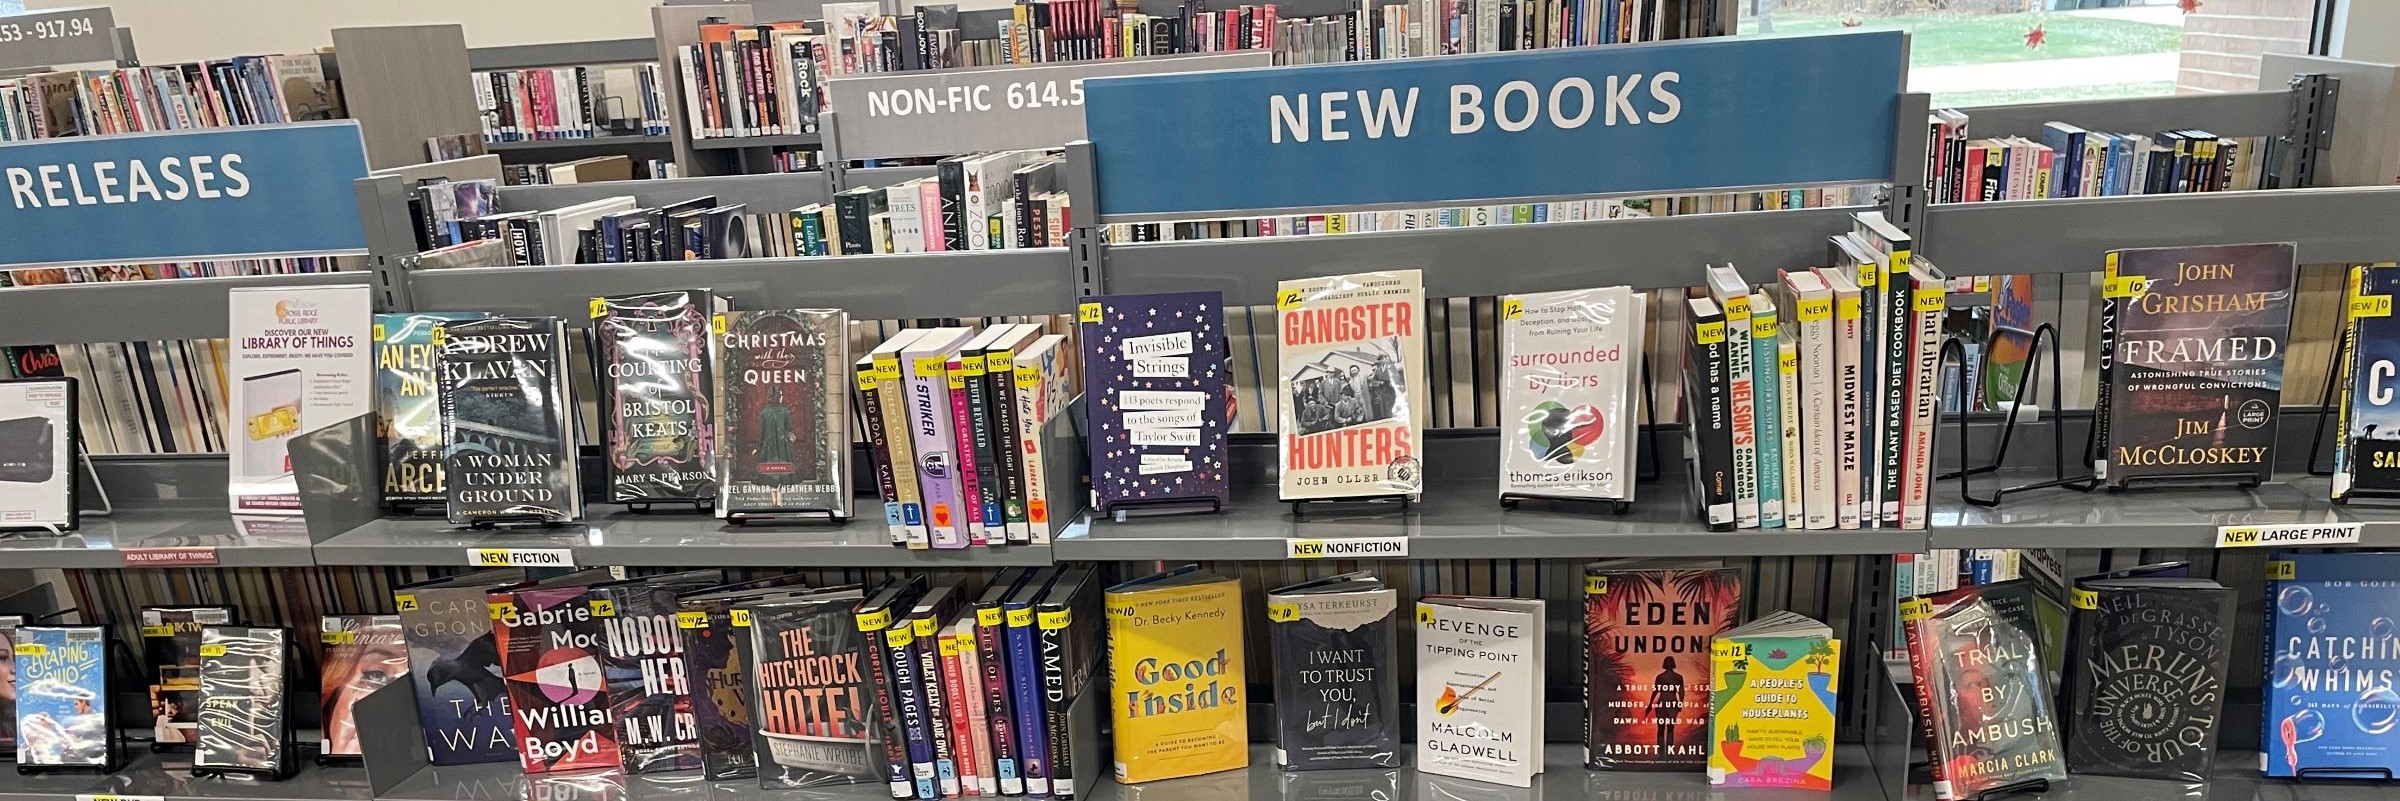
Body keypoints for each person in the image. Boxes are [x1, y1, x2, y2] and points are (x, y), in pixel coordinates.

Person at [1650, 657, 1686, 748]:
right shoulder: (1678, 677)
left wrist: (1650, 704)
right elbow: (1681, 693)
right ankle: (1669, 749)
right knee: (1670, 727)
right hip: (1672, 702)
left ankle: (1661, 750)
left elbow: (1655, 691)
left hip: (1662, 702)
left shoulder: (1660, 677)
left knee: (1661, 727)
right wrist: (1680, 703)